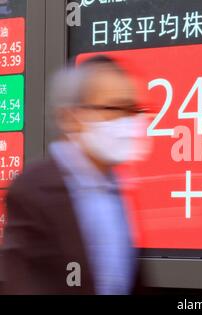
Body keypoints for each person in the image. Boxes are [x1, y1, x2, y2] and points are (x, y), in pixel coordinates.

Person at [1, 56, 149, 294]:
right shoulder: (33, 189)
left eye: (132, 110)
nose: (128, 122)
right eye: (114, 109)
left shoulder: (117, 188)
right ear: (72, 117)